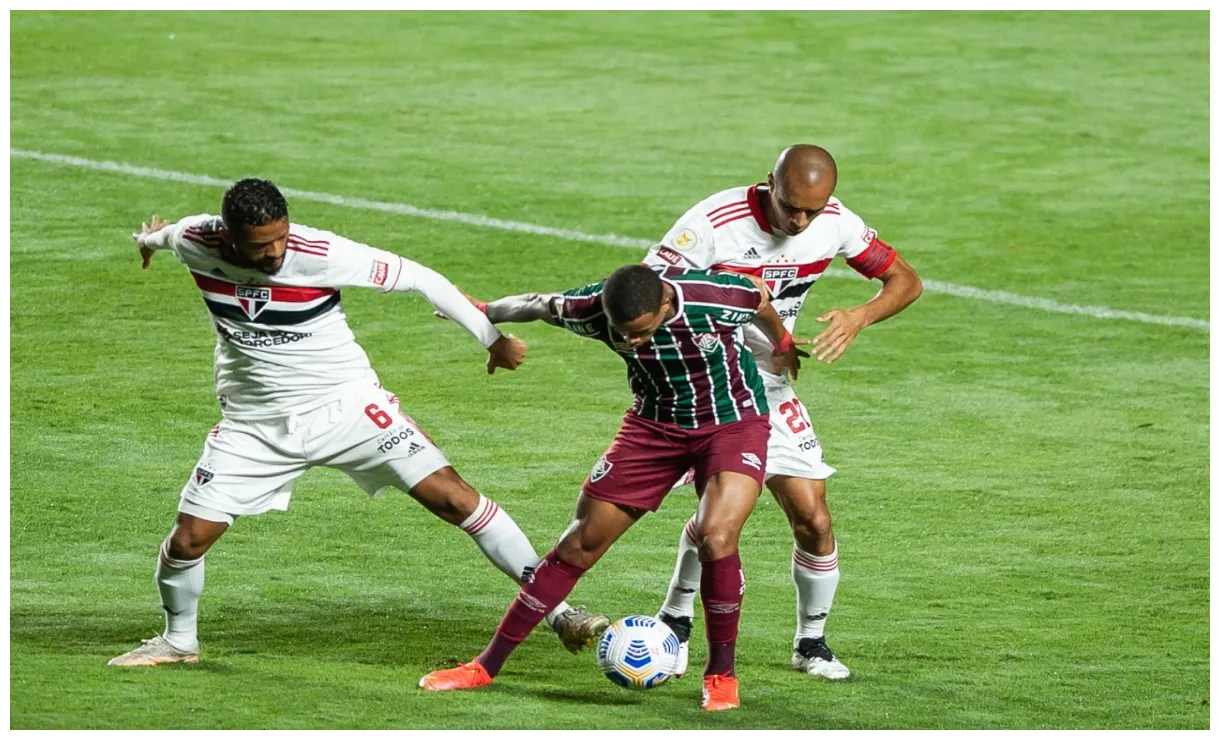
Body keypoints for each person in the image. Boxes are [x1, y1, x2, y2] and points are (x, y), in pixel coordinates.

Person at [108, 178, 607, 667]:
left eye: (281, 236)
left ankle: (560, 614)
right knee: (187, 540)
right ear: (231, 235)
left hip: (349, 408)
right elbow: (165, 234)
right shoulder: (197, 239)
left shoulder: (320, 252)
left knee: (456, 499)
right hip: (255, 426)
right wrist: (146, 241)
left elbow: (422, 278)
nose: (276, 252)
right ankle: (179, 642)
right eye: (261, 246)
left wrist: (492, 339)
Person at [418, 264, 803, 711]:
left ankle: (721, 675)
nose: (633, 342)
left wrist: (783, 343)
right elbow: (538, 304)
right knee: (579, 543)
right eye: (624, 334)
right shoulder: (594, 308)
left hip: (733, 425)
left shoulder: (712, 297)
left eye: (641, 332)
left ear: (664, 303)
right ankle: (485, 666)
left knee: (717, 536)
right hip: (653, 428)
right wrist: (486, 311)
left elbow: (757, 296)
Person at [645, 145, 923, 680]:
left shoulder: (835, 223)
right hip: (708, 380)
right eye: (790, 206)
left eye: (810, 212)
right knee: (720, 516)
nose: (798, 222)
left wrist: (859, 317)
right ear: (769, 181)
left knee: (814, 517)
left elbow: (906, 281)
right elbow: (645, 294)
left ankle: (810, 643)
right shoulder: (712, 223)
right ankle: (675, 623)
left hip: (769, 381)